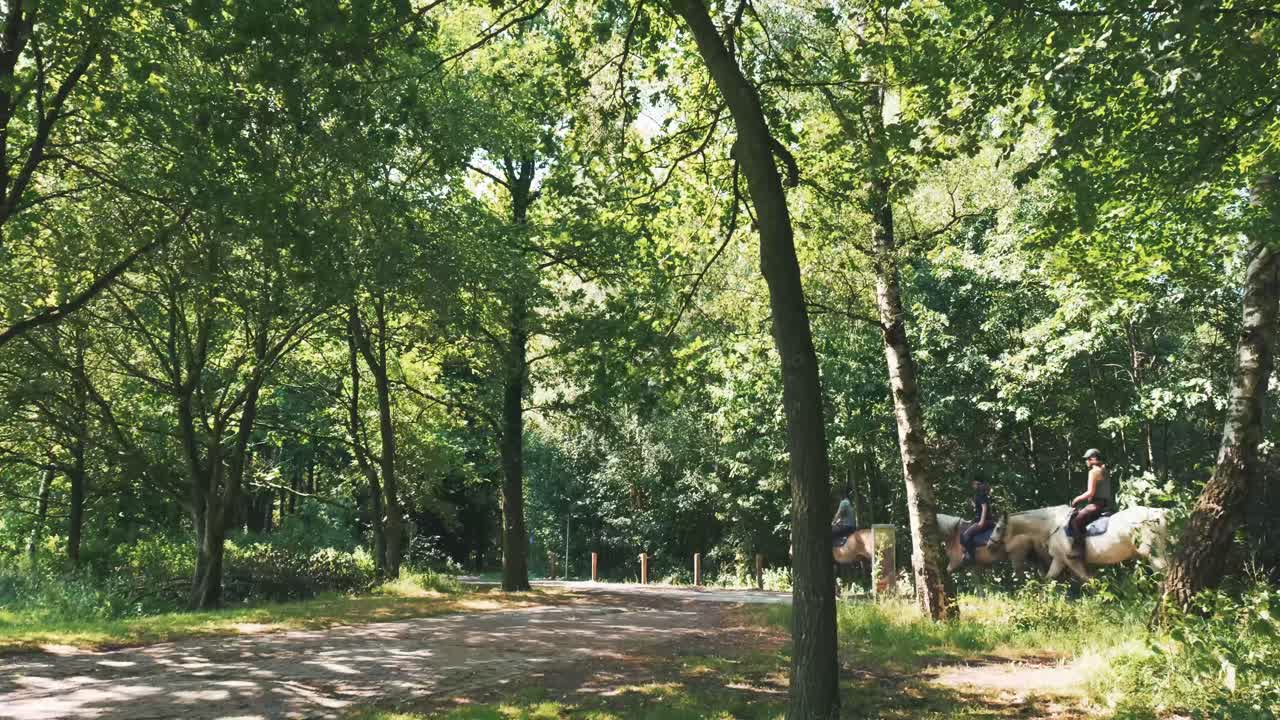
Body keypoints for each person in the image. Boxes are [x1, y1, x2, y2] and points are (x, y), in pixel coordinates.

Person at [1069, 448, 1112, 559]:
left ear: (1093, 459)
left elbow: (1090, 492)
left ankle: (1079, 550)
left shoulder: (1093, 472)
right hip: (1107, 504)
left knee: (1075, 521)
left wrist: (1077, 499)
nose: (1086, 461)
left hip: (1096, 505)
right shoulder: (1105, 470)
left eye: (1087, 459)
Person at [960, 477, 994, 564]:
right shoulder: (982, 495)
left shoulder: (980, 495)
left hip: (985, 521)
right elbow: (980, 509)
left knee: (965, 535)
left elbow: (984, 507)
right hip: (986, 520)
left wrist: (981, 522)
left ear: (979, 484)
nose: (973, 485)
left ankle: (971, 556)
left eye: (974, 484)